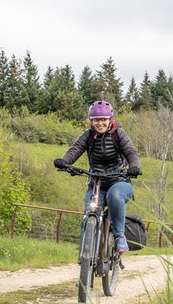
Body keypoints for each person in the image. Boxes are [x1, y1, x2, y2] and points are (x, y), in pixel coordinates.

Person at [53, 101, 142, 253]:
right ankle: (87, 249)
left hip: (120, 181)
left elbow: (131, 152)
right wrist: (64, 161)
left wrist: (134, 167)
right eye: (96, 120)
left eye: (103, 119)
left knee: (114, 195)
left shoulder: (119, 134)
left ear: (110, 119)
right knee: (90, 207)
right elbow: (76, 149)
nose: (100, 123)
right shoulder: (88, 135)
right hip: (97, 184)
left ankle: (120, 236)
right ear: (91, 121)